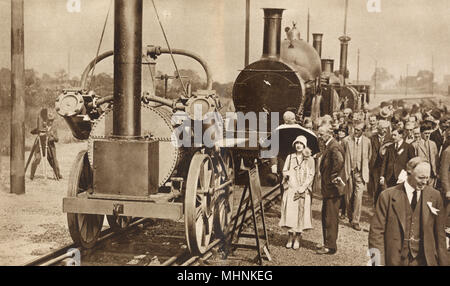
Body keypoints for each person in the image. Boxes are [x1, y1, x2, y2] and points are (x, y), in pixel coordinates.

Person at [369, 158, 449, 266]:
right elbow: (376, 234)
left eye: (427, 178)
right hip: (394, 260)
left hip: (424, 261)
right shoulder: (387, 196)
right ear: (408, 173)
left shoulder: (435, 196)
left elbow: (440, 236)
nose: (425, 182)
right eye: (421, 178)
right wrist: (378, 263)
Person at [279, 136, 315, 249]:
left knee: (301, 213)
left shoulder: (309, 159)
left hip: (302, 190)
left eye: (301, 143)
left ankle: (298, 237)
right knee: (290, 213)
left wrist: (303, 187)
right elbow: (284, 170)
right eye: (297, 143)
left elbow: (311, 175)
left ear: (305, 145)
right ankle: (290, 237)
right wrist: (288, 174)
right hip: (291, 188)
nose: (298, 145)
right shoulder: (290, 157)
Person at [316, 125, 345, 255]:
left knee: (330, 218)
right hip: (329, 189)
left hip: (332, 190)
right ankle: (327, 243)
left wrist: (333, 178)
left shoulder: (334, 146)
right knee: (327, 216)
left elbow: (339, 162)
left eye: (321, 134)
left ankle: (330, 246)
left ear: (329, 134)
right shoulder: (330, 145)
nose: (319, 137)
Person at [342, 121, 372, 231]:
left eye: (358, 130)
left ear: (363, 131)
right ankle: (350, 216)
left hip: (360, 173)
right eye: (355, 129)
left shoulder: (367, 142)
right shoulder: (346, 141)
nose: (355, 131)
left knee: (358, 197)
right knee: (349, 196)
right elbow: (342, 155)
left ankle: (356, 221)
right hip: (349, 171)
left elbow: (369, 156)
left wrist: (362, 168)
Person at [30, 113, 63, 180]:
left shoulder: (54, 129)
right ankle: (31, 175)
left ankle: (58, 174)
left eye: (52, 120)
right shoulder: (42, 126)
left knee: (53, 161)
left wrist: (52, 136)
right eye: (49, 120)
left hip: (50, 147)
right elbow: (32, 132)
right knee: (37, 159)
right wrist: (38, 129)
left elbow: (57, 139)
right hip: (40, 146)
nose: (50, 122)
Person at [369, 120, 391, 206]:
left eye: (386, 128)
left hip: (385, 166)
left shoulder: (390, 138)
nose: (384, 130)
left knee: (384, 186)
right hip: (375, 166)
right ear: (378, 129)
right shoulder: (372, 138)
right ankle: (376, 205)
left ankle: (383, 205)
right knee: (376, 186)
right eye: (382, 128)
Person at [412, 122, 439, 186]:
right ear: (421, 133)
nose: (427, 135)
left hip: (432, 174)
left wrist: (436, 172)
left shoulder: (433, 144)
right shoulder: (415, 145)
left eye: (429, 133)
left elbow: (436, 159)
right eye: (425, 133)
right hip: (421, 173)